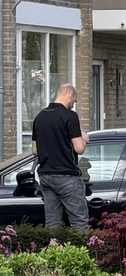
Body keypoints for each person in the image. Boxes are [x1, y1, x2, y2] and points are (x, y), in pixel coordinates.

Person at [31, 83, 89, 230]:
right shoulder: (70, 116)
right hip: (67, 176)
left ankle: (53, 251)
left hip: (46, 176)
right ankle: (82, 252)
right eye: (74, 101)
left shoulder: (40, 116)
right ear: (70, 95)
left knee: (52, 223)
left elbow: (35, 150)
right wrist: (83, 138)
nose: (73, 105)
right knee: (79, 223)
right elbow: (79, 149)